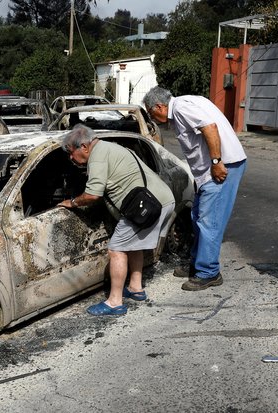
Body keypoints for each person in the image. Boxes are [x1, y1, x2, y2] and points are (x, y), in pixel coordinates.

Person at [58, 124, 175, 316]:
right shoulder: (110, 147)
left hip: (147, 207)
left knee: (116, 249)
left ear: (85, 146)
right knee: (132, 245)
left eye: (72, 153)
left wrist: (72, 202)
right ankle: (136, 288)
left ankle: (114, 302)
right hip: (159, 199)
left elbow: (92, 195)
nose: (71, 158)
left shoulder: (97, 157)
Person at [142, 86, 247, 291]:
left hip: (223, 166)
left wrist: (217, 161)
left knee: (209, 220)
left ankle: (209, 272)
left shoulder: (181, 108)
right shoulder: (182, 106)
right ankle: (198, 262)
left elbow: (210, 127)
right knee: (197, 216)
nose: (150, 116)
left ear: (160, 106)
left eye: (150, 111)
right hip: (209, 172)